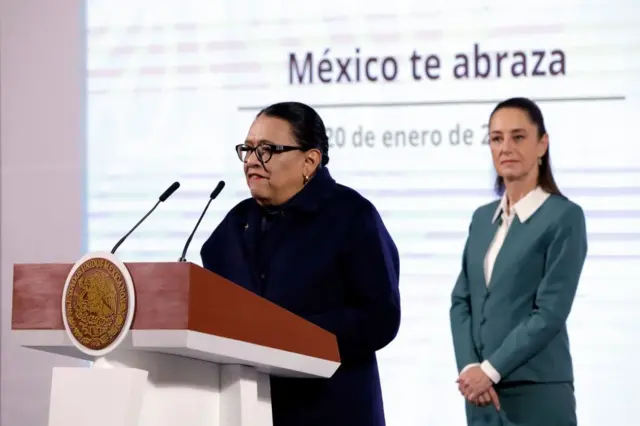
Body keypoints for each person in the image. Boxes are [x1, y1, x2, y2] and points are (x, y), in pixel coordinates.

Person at [200, 101, 401, 426]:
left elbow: (380, 316)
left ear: (310, 160)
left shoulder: (350, 215)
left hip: (331, 407)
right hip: (248, 406)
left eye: (267, 150)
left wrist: (293, 335)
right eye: (248, 150)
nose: (252, 161)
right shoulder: (237, 222)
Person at [449, 97, 588, 426]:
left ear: (542, 144)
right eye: (497, 138)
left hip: (536, 394)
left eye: (518, 137)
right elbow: (461, 300)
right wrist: (470, 368)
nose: (506, 147)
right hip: (481, 396)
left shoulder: (564, 216)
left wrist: (490, 370)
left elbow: (550, 312)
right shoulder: (482, 218)